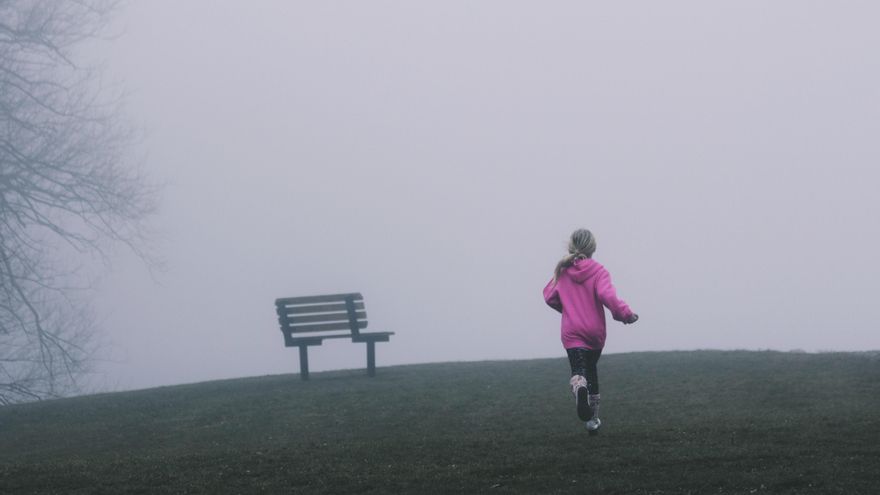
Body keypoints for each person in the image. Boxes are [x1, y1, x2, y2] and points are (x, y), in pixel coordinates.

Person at [543, 228, 638, 435]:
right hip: (594, 333)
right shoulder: (599, 271)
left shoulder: (563, 271)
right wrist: (626, 315)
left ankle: (579, 388)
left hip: (572, 332)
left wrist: (567, 308)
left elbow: (549, 296)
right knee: (592, 371)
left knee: (579, 370)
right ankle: (592, 421)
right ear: (593, 248)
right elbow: (608, 297)